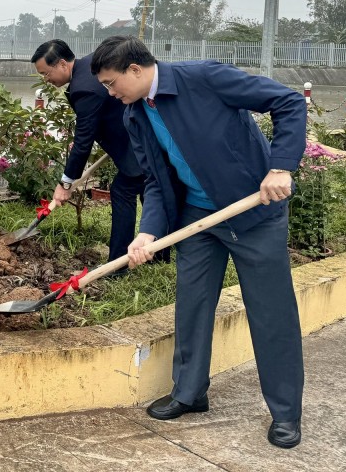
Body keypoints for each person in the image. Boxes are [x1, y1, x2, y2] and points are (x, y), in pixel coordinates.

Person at [90, 35, 306, 450]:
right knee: (191, 305)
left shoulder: (204, 78)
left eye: (111, 82)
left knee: (271, 313)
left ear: (135, 70)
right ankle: (189, 393)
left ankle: (285, 413)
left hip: (253, 214)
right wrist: (147, 232)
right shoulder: (135, 113)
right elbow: (156, 180)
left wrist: (281, 165)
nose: (111, 92)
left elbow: (289, 102)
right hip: (198, 218)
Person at [31, 39, 147, 269]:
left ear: (63, 64)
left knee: (123, 191)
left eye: (46, 73)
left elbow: (83, 140)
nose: (46, 79)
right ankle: (158, 253)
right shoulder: (90, 64)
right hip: (139, 136)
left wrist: (65, 183)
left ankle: (118, 264)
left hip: (138, 144)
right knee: (150, 192)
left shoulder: (84, 88)